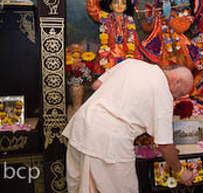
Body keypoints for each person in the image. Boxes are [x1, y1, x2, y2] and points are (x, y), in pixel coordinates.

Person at [62, 59, 195, 193]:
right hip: (109, 141)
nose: (178, 98)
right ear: (177, 82)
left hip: (81, 125)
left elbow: (96, 85)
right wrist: (181, 171)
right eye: (181, 93)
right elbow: (165, 146)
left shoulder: (132, 63)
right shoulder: (164, 94)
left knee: (79, 187)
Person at [139, 0, 203, 70]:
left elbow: (181, 28)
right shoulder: (161, 12)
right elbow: (147, 29)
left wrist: (168, 15)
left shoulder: (187, 16)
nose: (182, 0)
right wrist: (149, 19)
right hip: (159, 46)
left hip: (179, 51)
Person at [86, 0, 142, 75]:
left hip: (126, 58)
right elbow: (93, 10)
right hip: (109, 57)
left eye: (123, 2)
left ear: (127, 6)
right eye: (116, 2)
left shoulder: (129, 21)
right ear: (110, 5)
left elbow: (134, 41)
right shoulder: (105, 17)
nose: (119, 5)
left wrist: (136, 59)